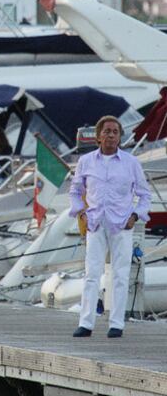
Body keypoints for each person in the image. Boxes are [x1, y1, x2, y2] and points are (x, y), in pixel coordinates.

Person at [69, 115, 151, 339]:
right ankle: (86, 322)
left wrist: (135, 215)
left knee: (120, 274)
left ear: (120, 136)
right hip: (95, 222)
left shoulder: (131, 163)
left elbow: (144, 194)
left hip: (122, 223)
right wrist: (82, 212)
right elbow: (75, 190)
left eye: (115, 131)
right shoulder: (86, 162)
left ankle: (116, 323)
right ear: (98, 136)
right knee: (91, 273)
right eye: (107, 131)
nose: (111, 135)